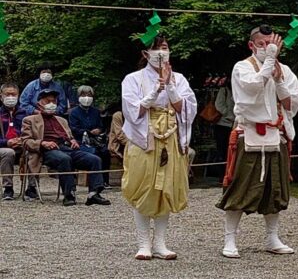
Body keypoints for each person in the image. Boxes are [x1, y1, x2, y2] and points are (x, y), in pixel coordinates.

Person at [217, 25, 298, 258]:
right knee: (240, 186)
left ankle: (272, 237)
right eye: (263, 44)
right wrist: (268, 62)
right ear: (251, 45)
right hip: (249, 133)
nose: (268, 48)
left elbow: (291, 104)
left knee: (275, 189)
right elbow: (251, 89)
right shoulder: (242, 67)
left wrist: (279, 77)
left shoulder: (283, 69)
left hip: (277, 135)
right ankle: (230, 238)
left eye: (271, 44)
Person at [120, 35, 197, 259]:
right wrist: (155, 91)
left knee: (166, 188)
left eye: (164, 48)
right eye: (156, 49)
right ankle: (143, 242)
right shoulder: (132, 79)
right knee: (144, 186)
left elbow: (188, 108)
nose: (161, 53)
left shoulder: (180, 78)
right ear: (146, 54)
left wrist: (170, 86)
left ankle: (161, 243)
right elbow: (132, 111)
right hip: (145, 136)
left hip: (171, 134)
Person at [21, 91, 109, 205]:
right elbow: (25, 141)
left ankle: (94, 194)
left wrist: (72, 140)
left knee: (94, 159)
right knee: (64, 159)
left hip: (67, 148)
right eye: (48, 101)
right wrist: (42, 143)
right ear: (39, 103)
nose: (51, 104)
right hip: (46, 151)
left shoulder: (62, 120)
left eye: (54, 101)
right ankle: (69, 194)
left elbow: (70, 136)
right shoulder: (29, 120)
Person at [68, 84, 110, 171]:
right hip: (80, 141)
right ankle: (95, 179)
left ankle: (105, 180)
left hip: (96, 141)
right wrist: (88, 131)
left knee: (105, 152)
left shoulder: (95, 111)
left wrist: (99, 130)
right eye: (84, 95)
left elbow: (101, 126)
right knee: (94, 153)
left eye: (89, 95)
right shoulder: (73, 112)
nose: (86, 97)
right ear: (79, 96)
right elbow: (74, 128)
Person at [1, 82, 20, 198]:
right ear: (1, 96)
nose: (11, 97)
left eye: (14, 94)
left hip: (22, 145)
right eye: (7, 94)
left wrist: (23, 140)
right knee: (8, 152)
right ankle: (8, 188)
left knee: (35, 151)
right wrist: (6, 142)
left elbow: (33, 132)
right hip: (3, 147)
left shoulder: (25, 113)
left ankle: (32, 188)